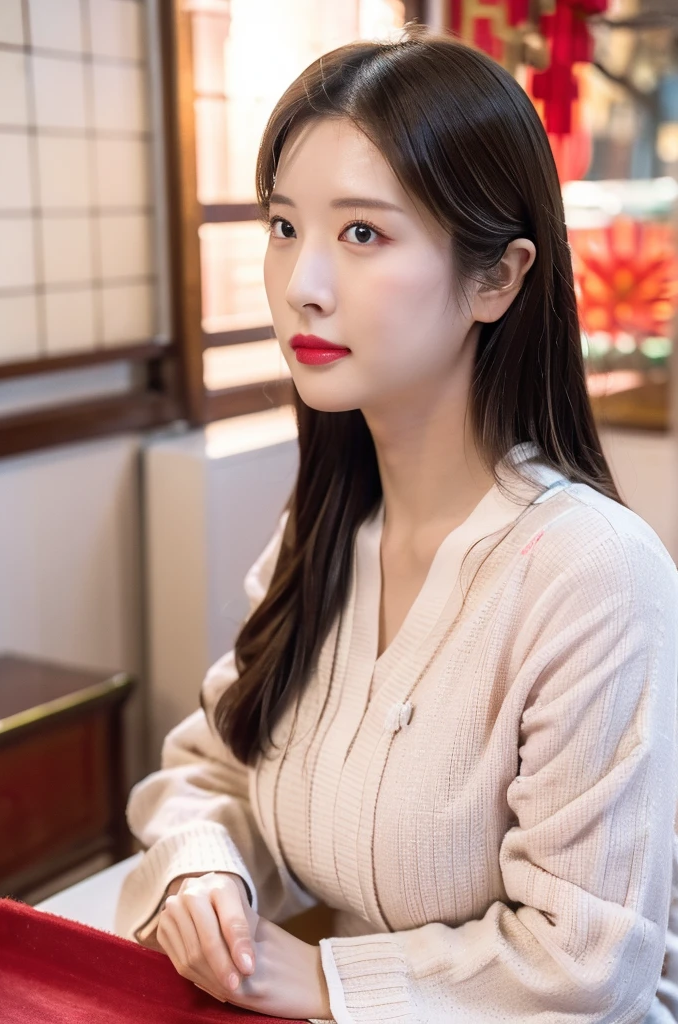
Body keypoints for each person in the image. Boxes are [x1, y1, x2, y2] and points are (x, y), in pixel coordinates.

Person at [115, 23, 678, 1024]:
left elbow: (584, 963)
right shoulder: (327, 525)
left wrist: (332, 980)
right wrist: (202, 871)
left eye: (361, 233)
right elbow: (212, 765)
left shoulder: (592, 572)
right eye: (284, 226)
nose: (301, 283)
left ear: (496, 278)